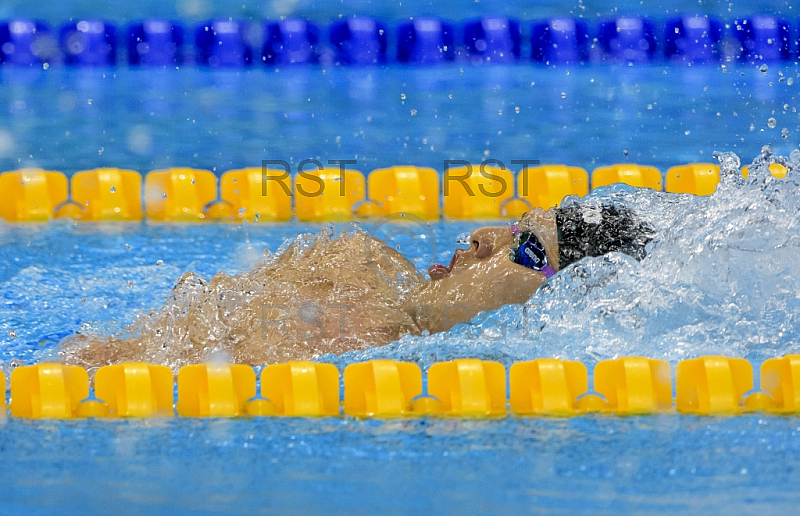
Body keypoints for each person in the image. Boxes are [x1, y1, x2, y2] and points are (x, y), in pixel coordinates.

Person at [61, 201, 654, 371]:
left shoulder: (373, 321)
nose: (478, 237)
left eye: (526, 251)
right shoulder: (359, 262)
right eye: (509, 225)